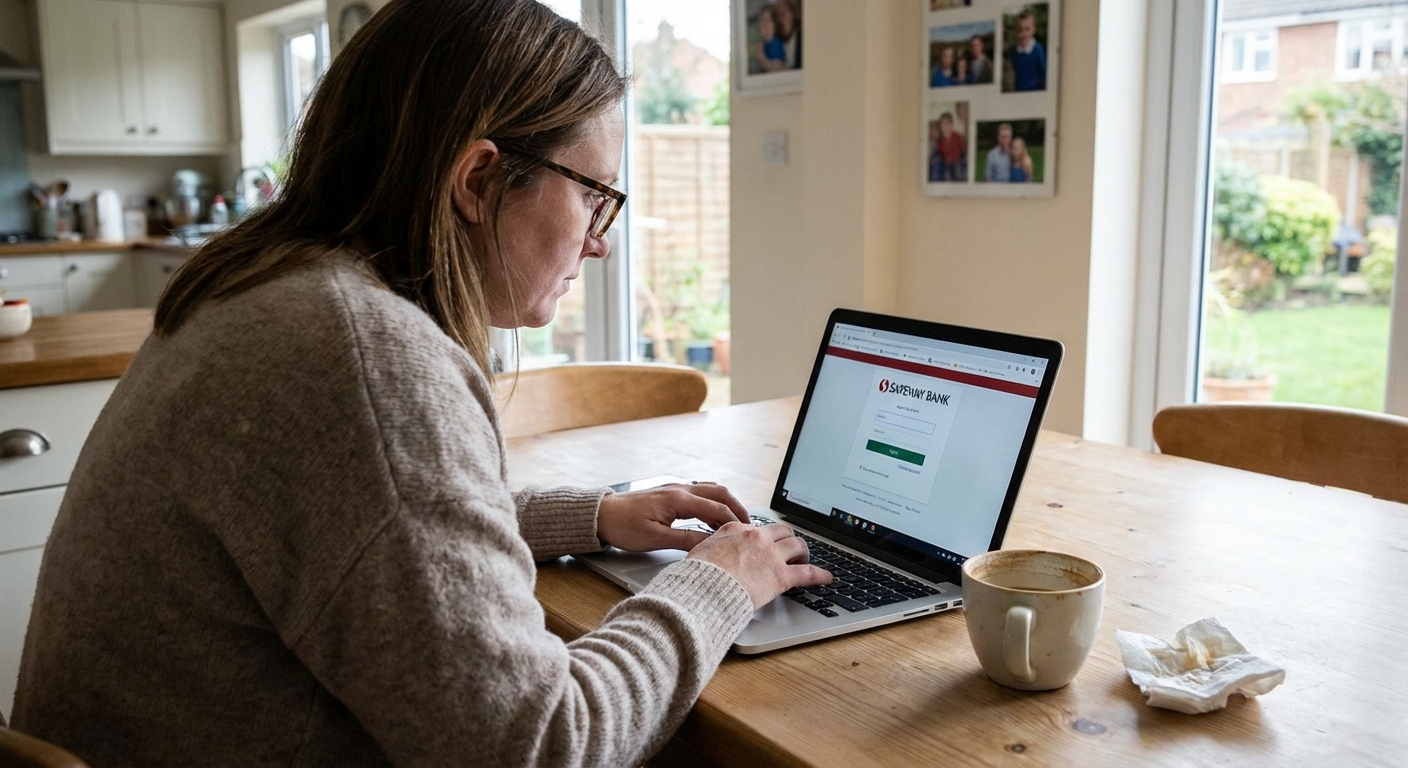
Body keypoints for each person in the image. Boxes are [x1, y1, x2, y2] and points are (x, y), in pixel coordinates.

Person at [9, 1, 830, 765]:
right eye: (593, 197)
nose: (599, 243)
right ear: (477, 181)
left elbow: (372, 521)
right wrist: (717, 584)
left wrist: (595, 516)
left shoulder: (270, 284)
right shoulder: (361, 358)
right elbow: (544, 742)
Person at [1010, 8, 1047, 91]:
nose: (1024, 34)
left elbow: (1042, 74)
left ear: (1033, 29)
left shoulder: (1038, 50)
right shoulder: (1014, 52)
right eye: (1020, 30)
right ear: (1016, 32)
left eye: (1027, 29)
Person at [757, 5, 788, 72]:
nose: (765, 25)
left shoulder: (776, 43)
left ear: (775, 25)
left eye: (769, 20)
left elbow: (777, 67)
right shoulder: (764, 44)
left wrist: (762, 57)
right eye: (762, 21)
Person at [937, 113, 966, 181]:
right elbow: (940, 151)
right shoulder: (940, 140)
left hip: (957, 161)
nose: (946, 126)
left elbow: (963, 148)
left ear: (952, 125)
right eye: (944, 124)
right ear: (941, 128)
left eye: (948, 124)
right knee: (947, 176)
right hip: (946, 163)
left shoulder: (957, 137)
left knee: (958, 174)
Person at [775, 0, 802, 70]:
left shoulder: (803, 39)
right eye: (779, 12)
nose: (782, 16)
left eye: (786, 10)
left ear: (793, 13)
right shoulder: (775, 41)